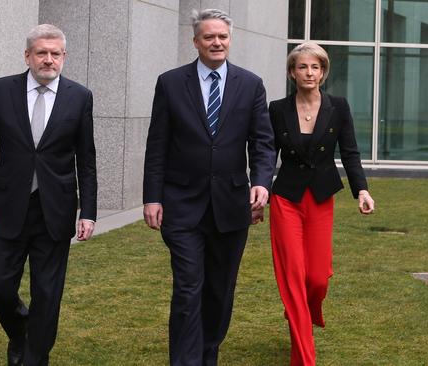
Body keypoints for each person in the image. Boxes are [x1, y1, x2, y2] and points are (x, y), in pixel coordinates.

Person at [142, 8, 276, 366]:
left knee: (219, 291)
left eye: (223, 37)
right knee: (188, 288)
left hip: (231, 207)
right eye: (209, 37)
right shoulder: (170, 82)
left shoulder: (251, 84)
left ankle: (207, 355)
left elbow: (262, 143)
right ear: (195, 41)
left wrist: (262, 182)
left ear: (229, 40)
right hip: (181, 204)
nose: (217, 42)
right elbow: (157, 144)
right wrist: (152, 197)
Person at [0, 24, 97, 366]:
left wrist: (89, 211)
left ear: (64, 57)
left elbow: (86, 159)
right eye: (41, 53)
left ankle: (33, 357)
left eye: (55, 54)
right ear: (27, 55)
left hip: (54, 211)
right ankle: (20, 329)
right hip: (6, 208)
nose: (48, 60)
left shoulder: (79, 96)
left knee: (47, 293)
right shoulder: (1, 90)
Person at [265, 42, 375, 366]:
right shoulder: (277, 109)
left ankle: (299, 309)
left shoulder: (338, 107)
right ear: (292, 72)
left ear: (323, 72)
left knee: (316, 278)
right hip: (285, 199)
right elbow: (267, 155)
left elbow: (350, 152)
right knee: (293, 276)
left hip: (321, 199)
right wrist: (258, 190)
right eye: (302, 67)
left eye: (315, 67)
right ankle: (303, 357)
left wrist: (362, 191)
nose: (309, 72)